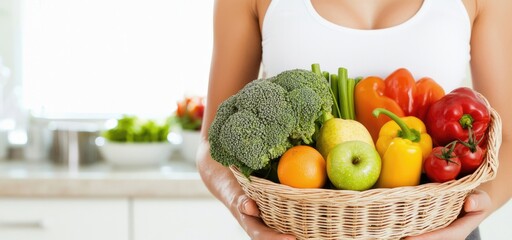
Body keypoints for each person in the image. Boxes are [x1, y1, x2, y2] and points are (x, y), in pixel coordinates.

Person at [197, 0, 512, 239]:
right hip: (301, 230)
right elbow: (213, 141)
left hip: (439, 230)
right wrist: (242, 206)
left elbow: (508, 138)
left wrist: (476, 210)